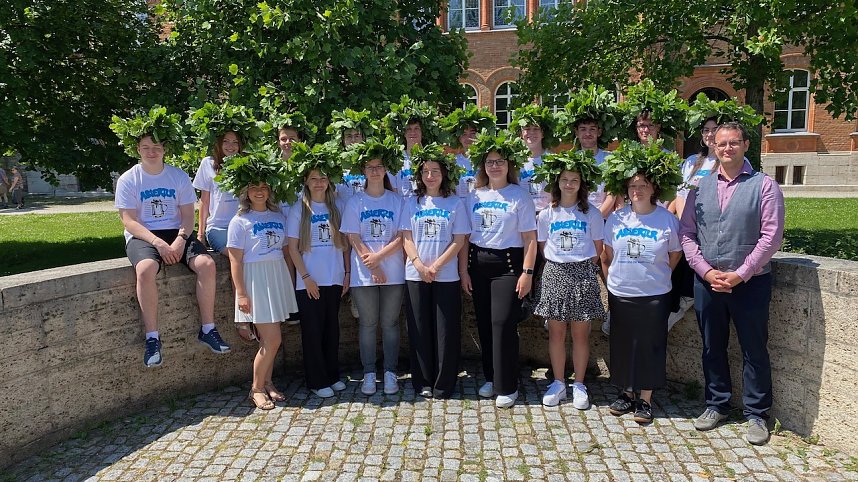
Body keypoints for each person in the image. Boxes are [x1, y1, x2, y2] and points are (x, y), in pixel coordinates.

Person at [680, 122, 784, 446]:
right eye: (721, 143)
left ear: (746, 145)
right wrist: (706, 271)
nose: (727, 148)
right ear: (714, 147)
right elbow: (687, 234)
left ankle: (756, 414)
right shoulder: (700, 188)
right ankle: (717, 404)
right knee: (712, 346)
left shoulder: (764, 186)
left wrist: (742, 273)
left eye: (734, 143)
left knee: (754, 348)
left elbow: (772, 236)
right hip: (708, 281)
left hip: (750, 283)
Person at [111, 109, 230, 368]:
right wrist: (156, 243)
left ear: (165, 149)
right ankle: (152, 337)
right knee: (146, 269)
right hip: (143, 234)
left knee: (207, 265)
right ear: (138, 150)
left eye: (156, 147)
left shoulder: (177, 176)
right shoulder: (129, 179)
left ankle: (208, 329)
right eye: (145, 147)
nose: (151, 152)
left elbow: (188, 214)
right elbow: (129, 220)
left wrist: (180, 239)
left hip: (176, 231)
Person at [602, 141, 683, 424]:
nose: (637, 190)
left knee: (651, 345)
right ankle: (624, 393)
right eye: (633, 185)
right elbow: (607, 255)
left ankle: (645, 400)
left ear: (654, 189)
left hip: (654, 293)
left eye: (644, 185)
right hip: (621, 291)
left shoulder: (666, 220)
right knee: (622, 344)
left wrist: (655, 274)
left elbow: (674, 255)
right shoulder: (616, 219)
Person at [460, 131, 537, 408]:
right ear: (483, 166)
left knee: (503, 323)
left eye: (500, 161)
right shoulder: (474, 196)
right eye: (490, 161)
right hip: (478, 264)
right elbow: (465, 238)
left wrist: (527, 274)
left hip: (508, 266)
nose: (495, 166)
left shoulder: (519, 195)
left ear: (509, 165)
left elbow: (529, 239)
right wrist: (464, 271)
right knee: (484, 323)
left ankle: (508, 384)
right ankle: (492, 377)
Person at [532, 152, 606, 408]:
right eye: (565, 179)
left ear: (581, 184)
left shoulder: (592, 214)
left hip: (583, 273)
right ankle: (559, 382)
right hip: (555, 272)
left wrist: (581, 267)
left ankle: (580, 384)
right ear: (557, 182)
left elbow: (598, 249)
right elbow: (543, 246)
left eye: (574, 180)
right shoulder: (547, 214)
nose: (569, 184)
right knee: (555, 332)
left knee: (581, 334)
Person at [400, 144, 470, 399]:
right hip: (415, 274)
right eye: (426, 171)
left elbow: (459, 239)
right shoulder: (411, 203)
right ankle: (422, 381)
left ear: (444, 174)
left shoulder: (455, 203)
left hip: (446, 275)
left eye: (435, 171)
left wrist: (437, 265)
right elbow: (406, 237)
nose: (430, 176)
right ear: (419, 175)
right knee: (419, 329)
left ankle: (444, 383)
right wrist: (419, 264)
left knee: (445, 330)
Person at [225, 167, 297, 410]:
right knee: (272, 340)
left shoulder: (278, 217)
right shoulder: (239, 221)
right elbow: (235, 260)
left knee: (271, 338)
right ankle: (256, 388)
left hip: (276, 276)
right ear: (246, 191)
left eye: (263, 187)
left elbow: (286, 252)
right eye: (254, 187)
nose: (259, 191)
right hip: (256, 280)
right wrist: (241, 293)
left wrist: (289, 280)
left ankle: (267, 382)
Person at [340, 138, 406, 396]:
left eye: (379, 166)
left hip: (393, 271)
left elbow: (402, 235)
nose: (375, 171)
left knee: (390, 323)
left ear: (386, 169)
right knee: (367, 324)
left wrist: (380, 259)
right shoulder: (355, 201)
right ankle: (369, 373)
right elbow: (353, 237)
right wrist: (371, 262)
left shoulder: (396, 200)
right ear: (363, 172)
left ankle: (390, 372)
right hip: (363, 272)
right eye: (370, 167)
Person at [287, 147, 350, 399]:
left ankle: (332, 375)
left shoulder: (336, 207)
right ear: (306, 181)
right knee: (312, 332)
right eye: (314, 178)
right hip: (310, 281)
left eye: (323, 178)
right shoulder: (299, 210)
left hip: (333, 277)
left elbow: (344, 243)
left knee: (331, 330)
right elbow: (292, 248)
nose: (319, 183)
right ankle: (316, 379)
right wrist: (305, 277)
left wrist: (346, 273)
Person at [665, 118, 720, 331]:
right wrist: (683, 220)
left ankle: (685, 300)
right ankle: (670, 305)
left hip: (708, 225)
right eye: (706, 130)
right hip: (686, 221)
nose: (710, 134)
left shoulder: (726, 162)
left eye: (715, 130)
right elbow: (680, 193)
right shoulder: (691, 161)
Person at [193, 131, 242, 252]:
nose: (230, 146)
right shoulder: (208, 163)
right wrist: (200, 234)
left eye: (235, 142)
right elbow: (204, 201)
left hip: (243, 225)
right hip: (218, 228)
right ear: (218, 143)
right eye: (225, 141)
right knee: (235, 254)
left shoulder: (246, 164)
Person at [439, 105, 497, 201]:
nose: (468, 138)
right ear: (459, 137)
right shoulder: (452, 162)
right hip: (461, 209)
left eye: (472, 133)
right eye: (464, 134)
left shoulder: (487, 161)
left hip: (482, 206)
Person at [511, 105, 558, 214]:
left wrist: (545, 215)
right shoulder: (514, 161)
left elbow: (558, 192)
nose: (531, 132)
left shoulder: (553, 159)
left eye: (536, 129)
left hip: (547, 214)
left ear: (543, 134)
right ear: (521, 134)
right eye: (527, 129)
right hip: (522, 214)